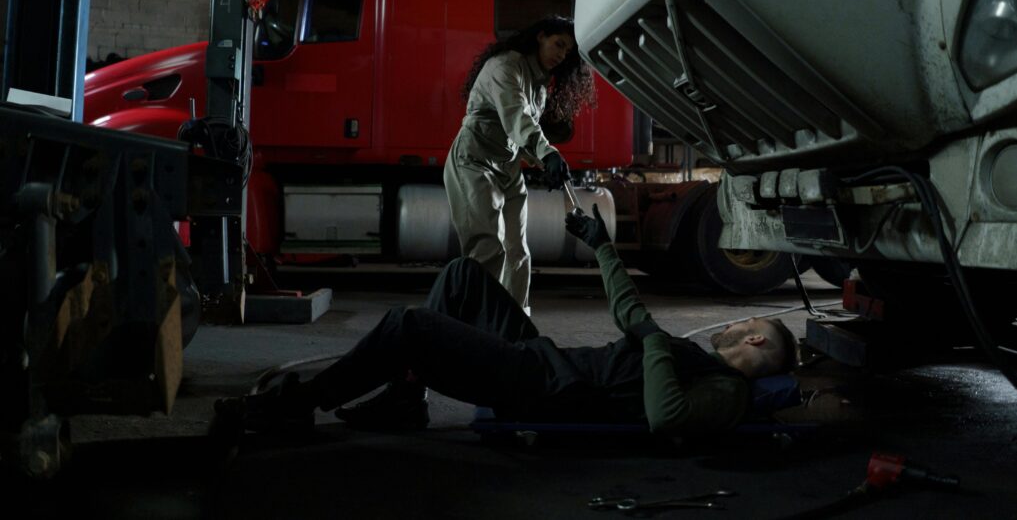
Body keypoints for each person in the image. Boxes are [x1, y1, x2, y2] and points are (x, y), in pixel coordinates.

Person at [215, 206, 798, 438]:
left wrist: (651, 343)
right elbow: (633, 323)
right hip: (551, 361)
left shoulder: (728, 391)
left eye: (747, 322)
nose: (736, 322)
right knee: (465, 275)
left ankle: (301, 405)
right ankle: (406, 396)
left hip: (549, 389)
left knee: (411, 326)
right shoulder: (709, 369)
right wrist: (603, 251)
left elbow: (665, 416)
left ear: (754, 339)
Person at [443, 15, 595, 311]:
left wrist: (544, 162)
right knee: (487, 247)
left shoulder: (539, 86)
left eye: (567, 51)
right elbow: (517, 118)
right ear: (540, 37)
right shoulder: (505, 66)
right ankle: (481, 326)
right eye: (558, 44)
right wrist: (548, 153)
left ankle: (517, 324)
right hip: (474, 162)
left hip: (508, 170)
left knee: (517, 252)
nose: (562, 54)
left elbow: (520, 136)